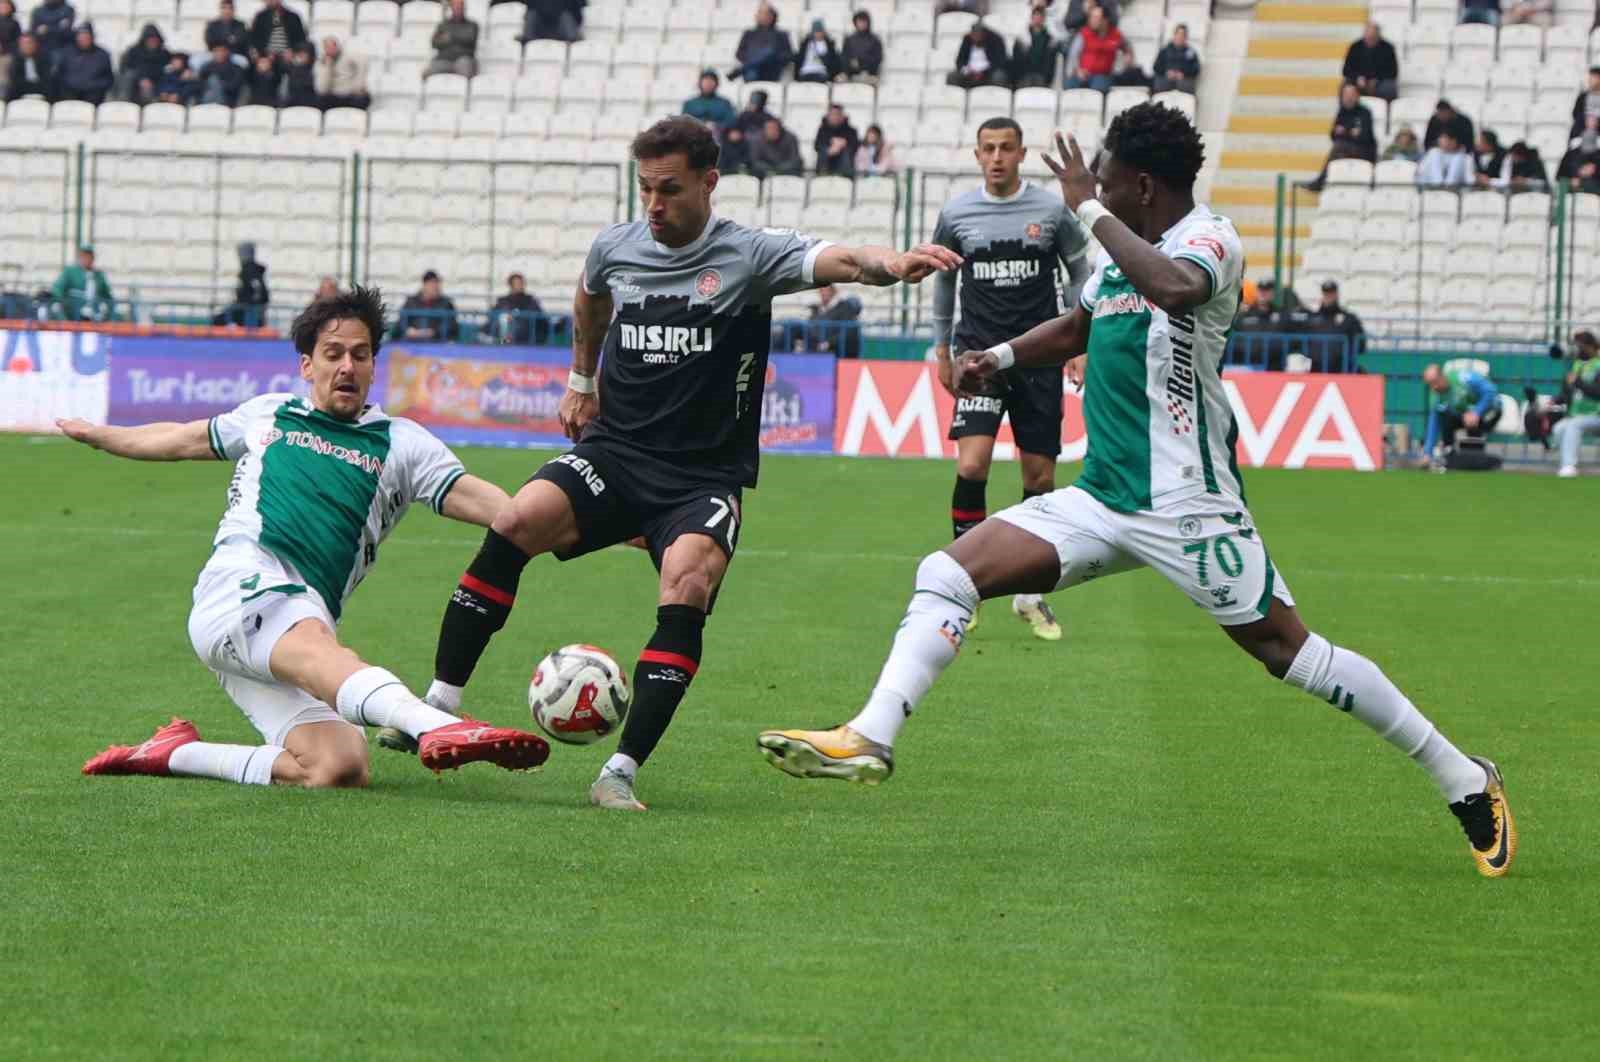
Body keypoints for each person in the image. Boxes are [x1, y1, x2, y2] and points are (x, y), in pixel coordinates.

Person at [757, 103, 1517, 881]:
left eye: (1110, 184)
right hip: (1104, 497)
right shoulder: (1124, 255)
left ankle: (1464, 777)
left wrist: (1086, 205)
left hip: (1190, 504)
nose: (1097, 195)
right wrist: (1002, 357)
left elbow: (1178, 291)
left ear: (1143, 186)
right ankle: (870, 737)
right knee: (948, 571)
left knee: (1290, 654)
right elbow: (1078, 328)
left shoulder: (1208, 241)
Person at [420, 115, 960, 811]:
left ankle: (618, 771)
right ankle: (438, 706)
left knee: (688, 582)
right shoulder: (616, 246)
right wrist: (581, 380)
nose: (653, 205)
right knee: (520, 516)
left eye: (668, 189)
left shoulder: (750, 255)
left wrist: (895, 264)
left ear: (708, 183)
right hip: (616, 452)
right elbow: (589, 297)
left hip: (702, 475)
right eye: (644, 188)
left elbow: (847, 261)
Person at [67, 287, 550, 791]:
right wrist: (102, 436)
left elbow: (497, 507)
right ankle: (440, 725)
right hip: (240, 587)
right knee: (322, 651)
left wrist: (571, 520)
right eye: (333, 354)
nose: (347, 367)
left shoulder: (401, 443)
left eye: (360, 355)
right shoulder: (270, 414)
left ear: (373, 365)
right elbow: (180, 437)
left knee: (338, 767)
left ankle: (177, 753)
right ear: (307, 365)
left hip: (293, 621)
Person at [928, 117, 1092, 641]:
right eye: (988, 149)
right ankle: (964, 582)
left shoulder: (1048, 210)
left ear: (1021, 154)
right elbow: (943, 281)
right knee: (972, 465)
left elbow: (1079, 269)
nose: (997, 157)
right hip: (977, 358)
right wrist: (942, 346)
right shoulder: (957, 214)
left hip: (1038, 357)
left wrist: (1079, 339)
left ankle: (1027, 592)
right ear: (976, 155)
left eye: (1006, 148)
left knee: (1040, 480)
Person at [1304, 82, 1377, 191]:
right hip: (1346, 149)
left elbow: (1364, 137)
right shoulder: (1342, 112)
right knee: (1339, 148)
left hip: (1364, 151)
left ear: (1357, 96)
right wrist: (1349, 133)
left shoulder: (1365, 113)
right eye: (1345, 95)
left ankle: (1320, 182)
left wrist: (1345, 132)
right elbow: (1333, 135)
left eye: (1351, 94)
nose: (1348, 98)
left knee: (1339, 147)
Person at [1422, 362, 1501, 459]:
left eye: (1435, 382)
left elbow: (1491, 391)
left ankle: (1476, 456)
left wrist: (1477, 412)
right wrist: (1427, 452)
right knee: (1444, 416)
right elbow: (1433, 423)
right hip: (1466, 416)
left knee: (1472, 421)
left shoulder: (1462, 378)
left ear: (1442, 376)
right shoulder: (1435, 395)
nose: (1434, 387)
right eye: (1430, 384)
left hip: (1490, 412)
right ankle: (1449, 455)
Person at [1554, 330, 1600, 478]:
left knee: (1574, 425)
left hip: (1596, 415)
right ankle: (1566, 463)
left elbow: (1597, 392)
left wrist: (1578, 382)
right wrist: (1555, 400)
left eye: (1582, 345)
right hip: (1577, 414)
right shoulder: (1576, 365)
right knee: (1559, 428)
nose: (1579, 349)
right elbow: (1566, 394)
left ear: (1592, 347)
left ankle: (1569, 466)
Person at [1304, 279, 1364, 371]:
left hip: (1341, 368)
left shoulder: (1348, 319)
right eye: (1326, 294)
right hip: (1317, 368)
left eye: (1331, 293)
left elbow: (1360, 344)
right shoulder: (1312, 319)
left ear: (1337, 295)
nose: (1329, 297)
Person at [1064, 7, 1129, 93]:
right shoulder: (1083, 34)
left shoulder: (1116, 35)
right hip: (1082, 74)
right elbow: (1073, 55)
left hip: (1103, 75)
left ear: (1105, 20)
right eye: (1091, 17)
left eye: (1096, 18)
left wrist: (1126, 59)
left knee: (1099, 87)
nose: (1092, 20)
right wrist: (1078, 70)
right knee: (1070, 86)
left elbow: (1127, 49)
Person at [731, 3, 792, 83]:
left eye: (766, 14)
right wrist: (755, 58)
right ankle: (750, 66)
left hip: (771, 70)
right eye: (760, 13)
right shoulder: (749, 33)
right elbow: (739, 53)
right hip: (752, 71)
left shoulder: (781, 34)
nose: (763, 16)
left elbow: (788, 55)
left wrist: (772, 58)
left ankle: (742, 70)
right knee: (754, 69)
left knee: (769, 52)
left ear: (773, 16)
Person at [55, 23, 113, 105]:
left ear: (92, 38)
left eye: (86, 37)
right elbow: (60, 75)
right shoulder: (66, 53)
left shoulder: (102, 55)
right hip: (70, 93)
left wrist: (92, 86)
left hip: (93, 95)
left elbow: (108, 79)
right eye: (81, 37)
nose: (83, 39)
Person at [50, 245, 112, 321]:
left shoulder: (98, 275)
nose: (87, 259)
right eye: (84, 256)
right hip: (73, 313)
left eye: (89, 256)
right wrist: (64, 303)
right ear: (79, 258)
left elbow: (107, 296)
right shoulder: (70, 272)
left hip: (94, 314)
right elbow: (57, 289)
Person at [215, 242, 269, 326]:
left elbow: (258, 294)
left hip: (246, 311)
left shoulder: (249, 271)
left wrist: (245, 303)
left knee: (217, 320)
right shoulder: (254, 272)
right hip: (246, 309)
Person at [395, 270, 458, 341]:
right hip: (411, 344)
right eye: (432, 284)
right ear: (424, 284)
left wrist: (434, 332)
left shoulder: (446, 303)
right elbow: (401, 323)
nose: (435, 287)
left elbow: (452, 326)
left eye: (437, 283)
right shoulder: (411, 302)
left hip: (437, 345)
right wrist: (409, 331)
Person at [1342, 22, 1398, 101]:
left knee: (1389, 88)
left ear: (1378, 36)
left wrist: (1377, 80)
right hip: (1359, 82)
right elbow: (1346, 70)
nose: (1370, 39)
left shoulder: (1388, 48)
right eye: (1368, 37)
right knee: (1345, 86)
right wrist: (1357, 78)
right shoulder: (1355, 47)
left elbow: (1393, 72)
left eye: (1373, 37)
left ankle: (1387, 111)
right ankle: (1346, 112)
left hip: (1380, 83)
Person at [116, 22, 168, 104]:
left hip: (156, 84)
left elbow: (167, 69)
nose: (153, 41)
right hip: (135, 85)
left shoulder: (164, 54)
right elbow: (124, 68)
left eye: (155, 39)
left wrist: (150, 80)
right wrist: (141, 79)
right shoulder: (133, 51)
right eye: (150, 39)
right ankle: (124, 103)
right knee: (128, 76)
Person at [948, 20, 1009, 89]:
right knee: (952, 76)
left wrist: (984, 73)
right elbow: (960, 60)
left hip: (989, 72)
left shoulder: (996, 40)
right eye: (973, 34)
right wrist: (967, 71)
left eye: (978, 34)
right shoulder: (967, 39)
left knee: (998, 76)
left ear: (983, 34)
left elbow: (1000, 62)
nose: (975, 37)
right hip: (969, 72)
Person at [491, 272, 548, 345]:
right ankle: (503, 342)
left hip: (525, 333)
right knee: (504, 318)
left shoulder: (530, 300)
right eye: (517, 283)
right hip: (505, 331)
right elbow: (494, 316)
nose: (520, 286)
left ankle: (505, 341)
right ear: (511, 285)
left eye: (521, 283)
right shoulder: (503, 301)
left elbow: (542, 319)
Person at [806, 283, 862, 356]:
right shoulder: (816, 309)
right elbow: (811, 327)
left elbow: (846, 332)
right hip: (817, 345)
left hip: (837, 350)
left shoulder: (843, 308)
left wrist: (828, 343)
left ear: (833, 292)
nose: (823, 293)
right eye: (821, 291)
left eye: (826, 291)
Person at [314, 36, 367, 110]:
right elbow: (322, 89)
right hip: (333, 94)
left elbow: (363, 62)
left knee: (363, 99)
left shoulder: (349, 56)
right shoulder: (322, 62)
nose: (331, 49)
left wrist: (358, 85)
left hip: (350, 93)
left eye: (333, 46)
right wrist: (327, 67)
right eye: (327, 47)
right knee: (319, 100)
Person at [427, 0, 477, 79]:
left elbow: (470, 39)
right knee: (428, 72)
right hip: (444, 59)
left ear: (464, 8)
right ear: (452, 8)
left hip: (463, 59)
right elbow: (434, 43)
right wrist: (459, 38)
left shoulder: (472, 25)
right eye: (456, 7)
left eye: (460, 7)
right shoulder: (443, 24)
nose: (458, 9)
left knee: (465, 68)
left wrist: (450, 36)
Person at [1010, 6, 1057, 89]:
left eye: (1040, 16)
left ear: (1044, 19)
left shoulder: (1049, 39)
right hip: (1024, 75)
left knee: (1039, 83)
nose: (1038, 19)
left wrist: (1046, 77)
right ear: (1031, 18)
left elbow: (1050, 63)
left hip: (1041, 76)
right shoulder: (1022, 37)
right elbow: (1016, 59)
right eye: (1036, 16)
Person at [1151, 23, 1200, 95]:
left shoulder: (1190, 52)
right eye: (1178, 34)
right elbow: (1156, 66)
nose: (1180, 37)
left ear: (1186, 37)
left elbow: (1196, 69)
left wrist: (1183, 74)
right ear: (1174, 35)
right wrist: (1166, 72)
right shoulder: (1164, 51)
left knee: (1186, 84)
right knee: (1159, 83)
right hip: (1166, 79)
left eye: (1183, 35)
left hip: (1183, 80)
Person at [814, 103, 859, 177]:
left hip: (844, 164)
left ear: (842, 116)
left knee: (846, 153)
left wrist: (842, 144)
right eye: (832, 114)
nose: (835, 117)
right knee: (823, 152)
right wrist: (830, 149)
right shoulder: (822, 130)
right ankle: (822, 176)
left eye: (837, 114)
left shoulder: (851, 131)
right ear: (828, 115)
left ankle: (845, 177)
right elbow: (817, 146)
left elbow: (855, 147)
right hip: (827, 162)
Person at [5, 30, 52, 101]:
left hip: (41, 89)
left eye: (29, 43)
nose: (26, 46)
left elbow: (46, 78)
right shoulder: (15, 60)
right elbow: (15, 80)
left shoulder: (44, 59)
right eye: (23, 43)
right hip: (21, 90)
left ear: (35, 44)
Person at [841, 10, 882, 82]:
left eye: (864, 21)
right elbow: (844, 57)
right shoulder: (849, 39)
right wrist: (851, 66)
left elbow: (877, 59)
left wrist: (861, 63)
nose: (862, 24)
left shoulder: (875, 40)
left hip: (869, 74)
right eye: (859, 21)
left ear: (868, 22)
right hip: (850, 74)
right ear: (855, 23)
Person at [793, 18, 839, 83]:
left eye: (820, 31)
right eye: (816, 32)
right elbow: (798, 59)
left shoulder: (829, 44)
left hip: (821, 72)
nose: (818, 34)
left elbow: (833, 60)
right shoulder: (805, 44)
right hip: (806, 72)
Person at [282, 42, 317, 107]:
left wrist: (299, 67)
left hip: (309, 102)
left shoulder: (315, 67)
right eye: (299, 53)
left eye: (304, 53)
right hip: (292, 102)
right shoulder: (291, 67)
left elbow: (307, 84)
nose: (301, 55)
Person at [1572, 67, 1600, 140]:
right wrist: (1586, 120)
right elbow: (1575, 114)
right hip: (1583, 127)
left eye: (1593, 78)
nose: (1589, 80)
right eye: (1589, 78)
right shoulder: (1583, 97)